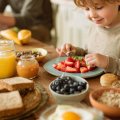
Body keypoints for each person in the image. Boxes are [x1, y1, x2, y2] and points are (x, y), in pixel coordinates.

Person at [56, 0, 120, 75]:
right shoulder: (95, 26)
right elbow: (89, 53)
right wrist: (76, 52)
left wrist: (108, 63)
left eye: (99, 7)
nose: (92, 15)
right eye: (87, 9)